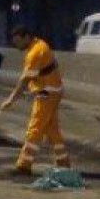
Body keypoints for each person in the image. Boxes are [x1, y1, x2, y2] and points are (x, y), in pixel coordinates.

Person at [9, 25, 69, 175]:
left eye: (18, 42)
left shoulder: (35, 52)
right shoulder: (39, 45)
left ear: (27, 37)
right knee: (51, 128)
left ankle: (24, 164)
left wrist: (11, 100)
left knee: (35, 126)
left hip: (46, 92)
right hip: (53, 90)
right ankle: (63, 163)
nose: (17, 45)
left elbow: (25, 80)